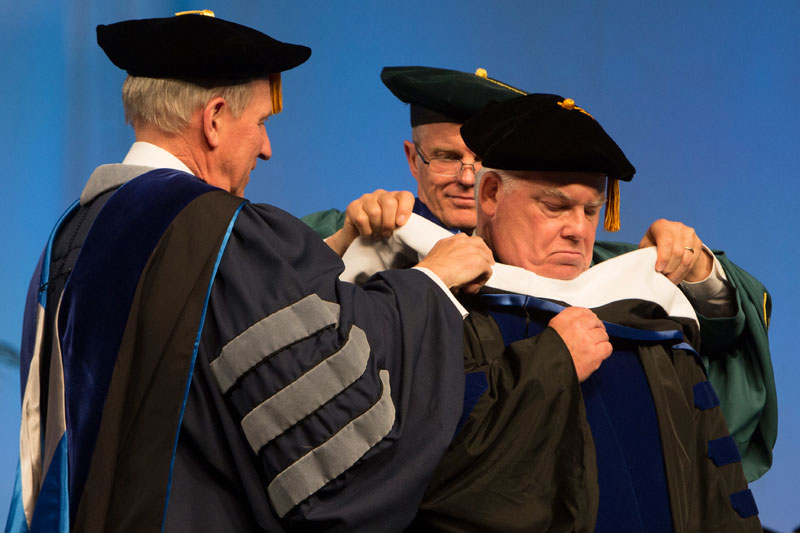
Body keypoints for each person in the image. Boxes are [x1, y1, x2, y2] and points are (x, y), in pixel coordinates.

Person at [6, 13, 494, 533]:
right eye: (260, 122)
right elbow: (329, 450)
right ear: (213, 119)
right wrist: (431, 285)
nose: (266, 147)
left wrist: (338, 246)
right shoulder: (219, 231)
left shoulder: (75, 230)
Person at [312, 66, 775, 482]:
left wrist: (695, 264)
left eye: (481, 160)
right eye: (448, 157)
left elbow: (723, 326)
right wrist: (349, 239)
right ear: (414, 160)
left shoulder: (583, 259)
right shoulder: (373, 238)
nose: (467, 178)